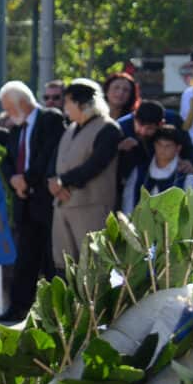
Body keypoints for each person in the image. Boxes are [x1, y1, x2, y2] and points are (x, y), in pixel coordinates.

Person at [0, 81, 65, 324]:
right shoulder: (17, 129)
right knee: (25, 258)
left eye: (9, 107)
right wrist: (14, 181)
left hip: (45, 201)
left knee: (50, 259)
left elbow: (47, 154)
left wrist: (27, 179)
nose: (7, 113)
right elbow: (7, 160)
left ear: (23, 103)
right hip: (24, 202)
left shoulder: (50, 119)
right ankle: (18, 307)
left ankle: (55, 311)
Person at [48, 79, 122, 274]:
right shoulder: (70, 129)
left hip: (92, 209)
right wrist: (54, 183)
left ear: (81, 103)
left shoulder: (108, 129)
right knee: (65, 266)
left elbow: (96, 164)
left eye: (68, 102)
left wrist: (64, 181)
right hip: (63, 206)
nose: (65, 107)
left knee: (93, 267)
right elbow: (55, 161)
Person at [121, 125, 193, 213]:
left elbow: (191, 208)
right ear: (154, 145)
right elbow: (128, 203)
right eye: (159, 144)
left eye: (168, 146)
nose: (162, 149)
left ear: (178, 148)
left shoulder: (185, 177)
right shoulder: (139, 172)